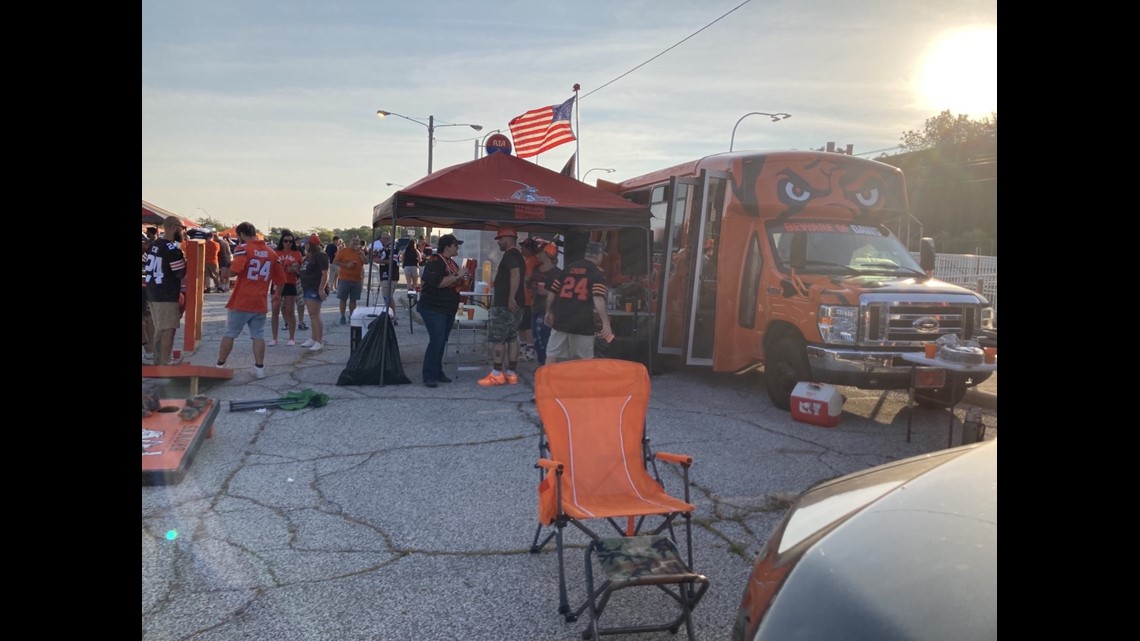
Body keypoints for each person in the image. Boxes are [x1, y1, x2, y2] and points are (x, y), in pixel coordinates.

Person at [215, 222, 286, 378]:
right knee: (258, 335)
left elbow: (234, 271)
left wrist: (224, 274)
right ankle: (259, 368)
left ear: (241, 235)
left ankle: (219, 365)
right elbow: (281, 279)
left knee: (230, 333)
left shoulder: (243, 249)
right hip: (259, 301)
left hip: (241, 300)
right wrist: (277, 295)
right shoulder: (271, 252)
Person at [544, 241, 612, 364]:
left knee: (553, 354)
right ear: (598, 255)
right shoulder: (597, 273)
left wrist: (549, 311)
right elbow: (598, 298)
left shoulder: (569, 268)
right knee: (584, 360)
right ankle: (580, 383)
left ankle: (548, 382)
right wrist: (605, 322)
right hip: (582, 322)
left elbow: (552, 291)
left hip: (560, 319)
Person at [417, 234, 468, 388]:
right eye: (455, 245)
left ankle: (437, 371)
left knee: (441, 341)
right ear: (447, 246)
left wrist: (464, 279)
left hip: (448, 308)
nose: (458, 248)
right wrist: (457, 275)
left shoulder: (451, 262)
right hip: (433, 308)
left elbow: (456, 282)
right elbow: (437, 283)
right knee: (436, 340)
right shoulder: (435, 261)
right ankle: (429, 375)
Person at [478, 226, 525, 386]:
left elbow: (515, 274)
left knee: (499, 338)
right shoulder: (517, 255)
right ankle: (511, 372)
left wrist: (511, 298)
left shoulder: (511, 255)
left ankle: (497, 373)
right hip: (514, 304)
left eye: (500, 239)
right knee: (512, 338)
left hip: (506, 305)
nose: (498, 242)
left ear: (508, 239)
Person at [144, 216, 187, 366]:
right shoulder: (172, 249)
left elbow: (145, 260)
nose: (183, 232)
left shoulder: (154, 244)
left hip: (152, 291)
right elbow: (180, 272)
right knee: (168, 329)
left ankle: (158, 360)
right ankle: (163, 362)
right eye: (182, 228)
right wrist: (185, 261)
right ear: (174, 227)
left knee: (160, 329)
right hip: (166, 293)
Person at [527, 240, 561, 366]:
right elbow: (530, 284)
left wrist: (547, 293)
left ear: (547, 254)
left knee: (544, 339)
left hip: (547, 310)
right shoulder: (536, 268)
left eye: (540, 252)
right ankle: (541, 365)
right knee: (536, 338)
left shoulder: (557, 273)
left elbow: (562, 294)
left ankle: (546, 367)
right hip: (535, 307)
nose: (537, 255)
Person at [268, 231, 303, 346]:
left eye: (290, 241)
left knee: (290, 310)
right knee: (275, 310)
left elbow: (301, 272)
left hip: (290, 282)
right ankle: (274, 338)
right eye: (285, 241)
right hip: (277, 283)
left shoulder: (297, 253)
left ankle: (291, 337)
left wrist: (294, 269)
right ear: (282, 241)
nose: (288, 243)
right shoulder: (275, 252)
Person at [298, 233, 331, 350]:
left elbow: (325, 273)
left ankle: (319, 340)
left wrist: (321, 289)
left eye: (306, 243)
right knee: (312, 315)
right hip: (307, 287)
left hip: (315, 287)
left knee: (314, 314)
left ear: (311, 244)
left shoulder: (320, 256)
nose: (304, 245)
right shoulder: (308, 256)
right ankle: (313, 338)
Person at [517, 237, 542, 362]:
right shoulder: (527, 260)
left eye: (523, 247)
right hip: (523, 297)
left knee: (527, 326)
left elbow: (528, 278)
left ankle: (530, 351)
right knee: (521, 325)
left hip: (528, 298)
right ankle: (523, 348)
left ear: (529, 249)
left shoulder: (532, 261)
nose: (521, 248)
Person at [333, 235, 368, 325]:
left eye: (357, 241)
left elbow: (366, 262)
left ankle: (352, 316)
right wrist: (347, 265)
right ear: (350, 242)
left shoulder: (361, 252)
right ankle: (342, 316)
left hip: (356, 280)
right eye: (354, 240)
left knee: (353, 300)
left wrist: (361, 254)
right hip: (344, 278)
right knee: (343, 299)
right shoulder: (343, 251)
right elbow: (335, 262)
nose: (355, 242)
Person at [369, 231, 399, 321]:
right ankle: (390, 314)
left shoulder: (392, 247)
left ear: (387, 238)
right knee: (386, 296)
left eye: (382, 238)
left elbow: (393, 261)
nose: (381, 240)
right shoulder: (384, 247)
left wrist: (380, 261)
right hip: (384, 273)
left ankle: (393, 316)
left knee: (388, 296)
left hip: (390, 275)